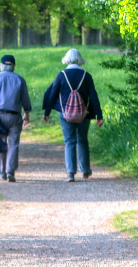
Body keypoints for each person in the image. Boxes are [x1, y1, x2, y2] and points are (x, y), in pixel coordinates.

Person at [43, 48, 103, 182]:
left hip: (66, 115)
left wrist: (47, 112)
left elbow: (52, 94)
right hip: (84, 114)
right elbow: (93, 97)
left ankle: (70, 173)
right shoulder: (86, 76)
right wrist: (99, 115)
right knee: (82, 140)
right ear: (79, 59)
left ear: (67, 59)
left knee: (69, 141)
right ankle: (85, 170)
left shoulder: (61, 75)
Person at [0, 54, 31, 182]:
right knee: (14, 144)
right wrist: (27, 112)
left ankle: (1, 172)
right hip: (15, 116)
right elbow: (25, 98)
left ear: (1, 65)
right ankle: (10, 171)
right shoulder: (20, 79)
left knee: (0, 143)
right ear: (14, 66)